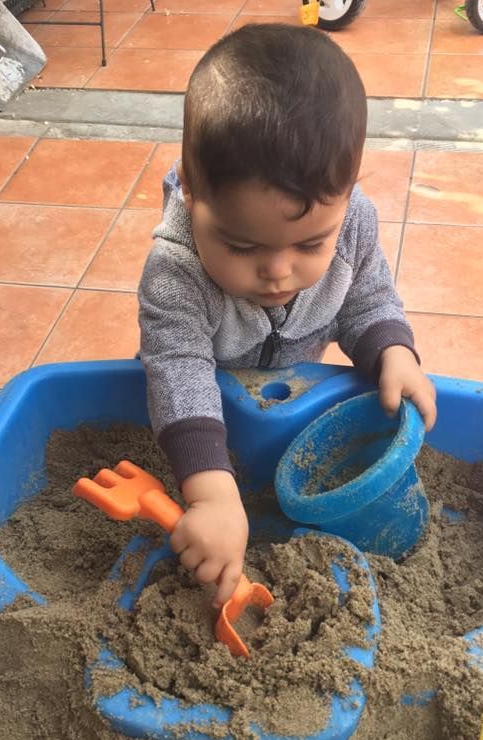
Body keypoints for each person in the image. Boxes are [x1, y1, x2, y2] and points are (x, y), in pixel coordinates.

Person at [137, 23, 437, 609]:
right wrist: (213, 494)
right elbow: (178, 371)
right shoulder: (174, 272)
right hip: (209, 414)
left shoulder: (350, 223)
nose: (278, 272)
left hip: (292, 397)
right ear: (194, 195)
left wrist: (393, 350)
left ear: (348, 194)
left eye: (308, 246)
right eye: (243, 247)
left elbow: (367, 295)